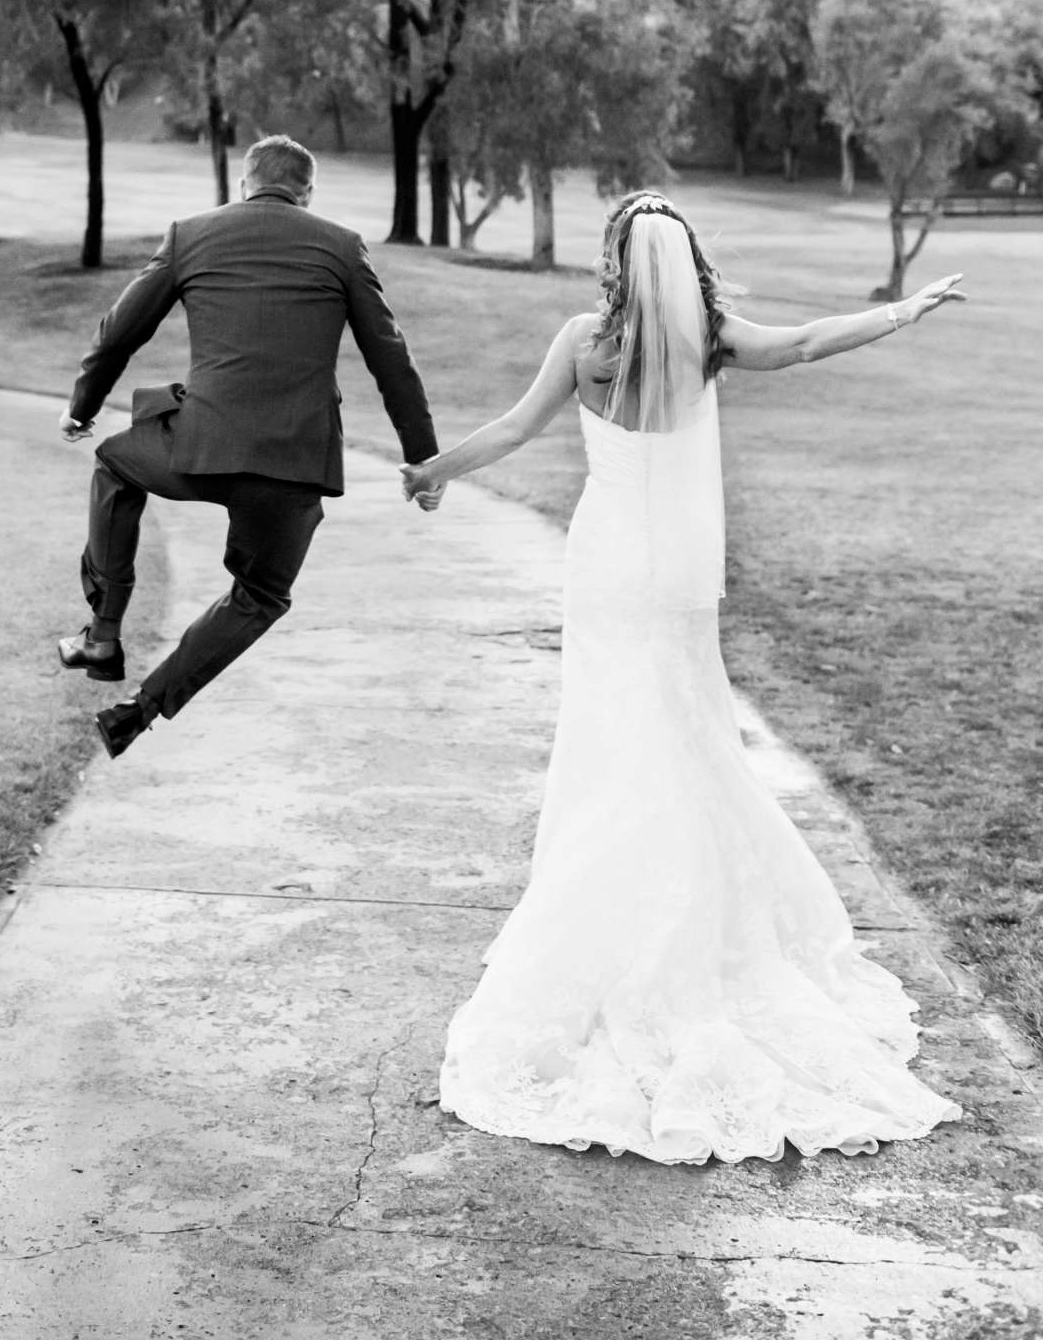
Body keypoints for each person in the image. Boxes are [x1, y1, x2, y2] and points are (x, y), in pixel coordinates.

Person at [401, 189, 966, 1165]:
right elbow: (800, 344)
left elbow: (513, 428)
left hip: (606, 562)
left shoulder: (586, 341)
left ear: (618, 258)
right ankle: (687, 917)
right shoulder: (709, 338)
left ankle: (604, 913)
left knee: (614, 737)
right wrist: (902, 311)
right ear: (685, 255)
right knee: (685, 736)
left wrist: (436, 469)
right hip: (673, 576)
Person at [59, 134, 440, 759]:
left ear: (244, 182)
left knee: (114, 464)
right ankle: (140, 709)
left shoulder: (191, 234)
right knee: (259, 596)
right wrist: (424, 461)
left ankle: (103, 635)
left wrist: (83, 408)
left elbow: (119, 332)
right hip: (292, 467)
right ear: (308, 191)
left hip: (198, 449)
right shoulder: (342, 246)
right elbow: (392, 360)